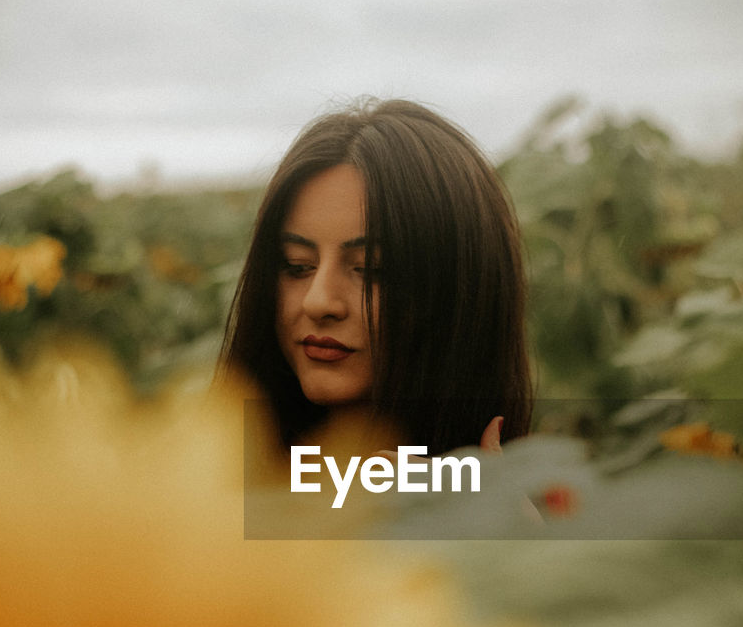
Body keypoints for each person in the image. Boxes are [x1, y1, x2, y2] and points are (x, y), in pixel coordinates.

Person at [216, 98, 532, 457]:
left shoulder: (541, 504)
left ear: (460, 293)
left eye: (370, 269)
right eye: (297, 265)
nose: (318, 301)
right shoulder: (196, 491)